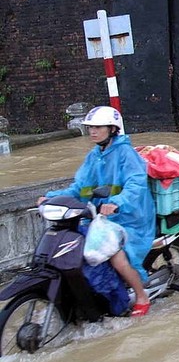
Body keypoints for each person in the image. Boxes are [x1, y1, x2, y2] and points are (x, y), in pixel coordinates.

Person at [38, 106, 155, 316]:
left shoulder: (125, 153)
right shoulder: (94, 156)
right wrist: (52, 197)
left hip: (131, 216)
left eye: (98, 127)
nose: (93, 131)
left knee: (114, 255)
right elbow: (79, 187)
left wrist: (117, 202)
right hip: (101, 216)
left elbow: (136, 185)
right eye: (90, 127)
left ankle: (141, 296)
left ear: (112, 129)